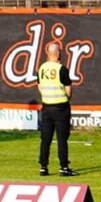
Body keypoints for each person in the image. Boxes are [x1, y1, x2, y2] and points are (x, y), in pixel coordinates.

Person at [36, 40, 77, 177]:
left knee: (45, 139)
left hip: (46, 107)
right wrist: (64, 100)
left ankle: (43, 167)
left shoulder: (41, 68)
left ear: (48, 53)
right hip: (60, 107)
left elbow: (40, 87)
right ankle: (64, 167)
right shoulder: (62, 69)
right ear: (58, 53)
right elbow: (69, 91)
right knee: (62, 139)